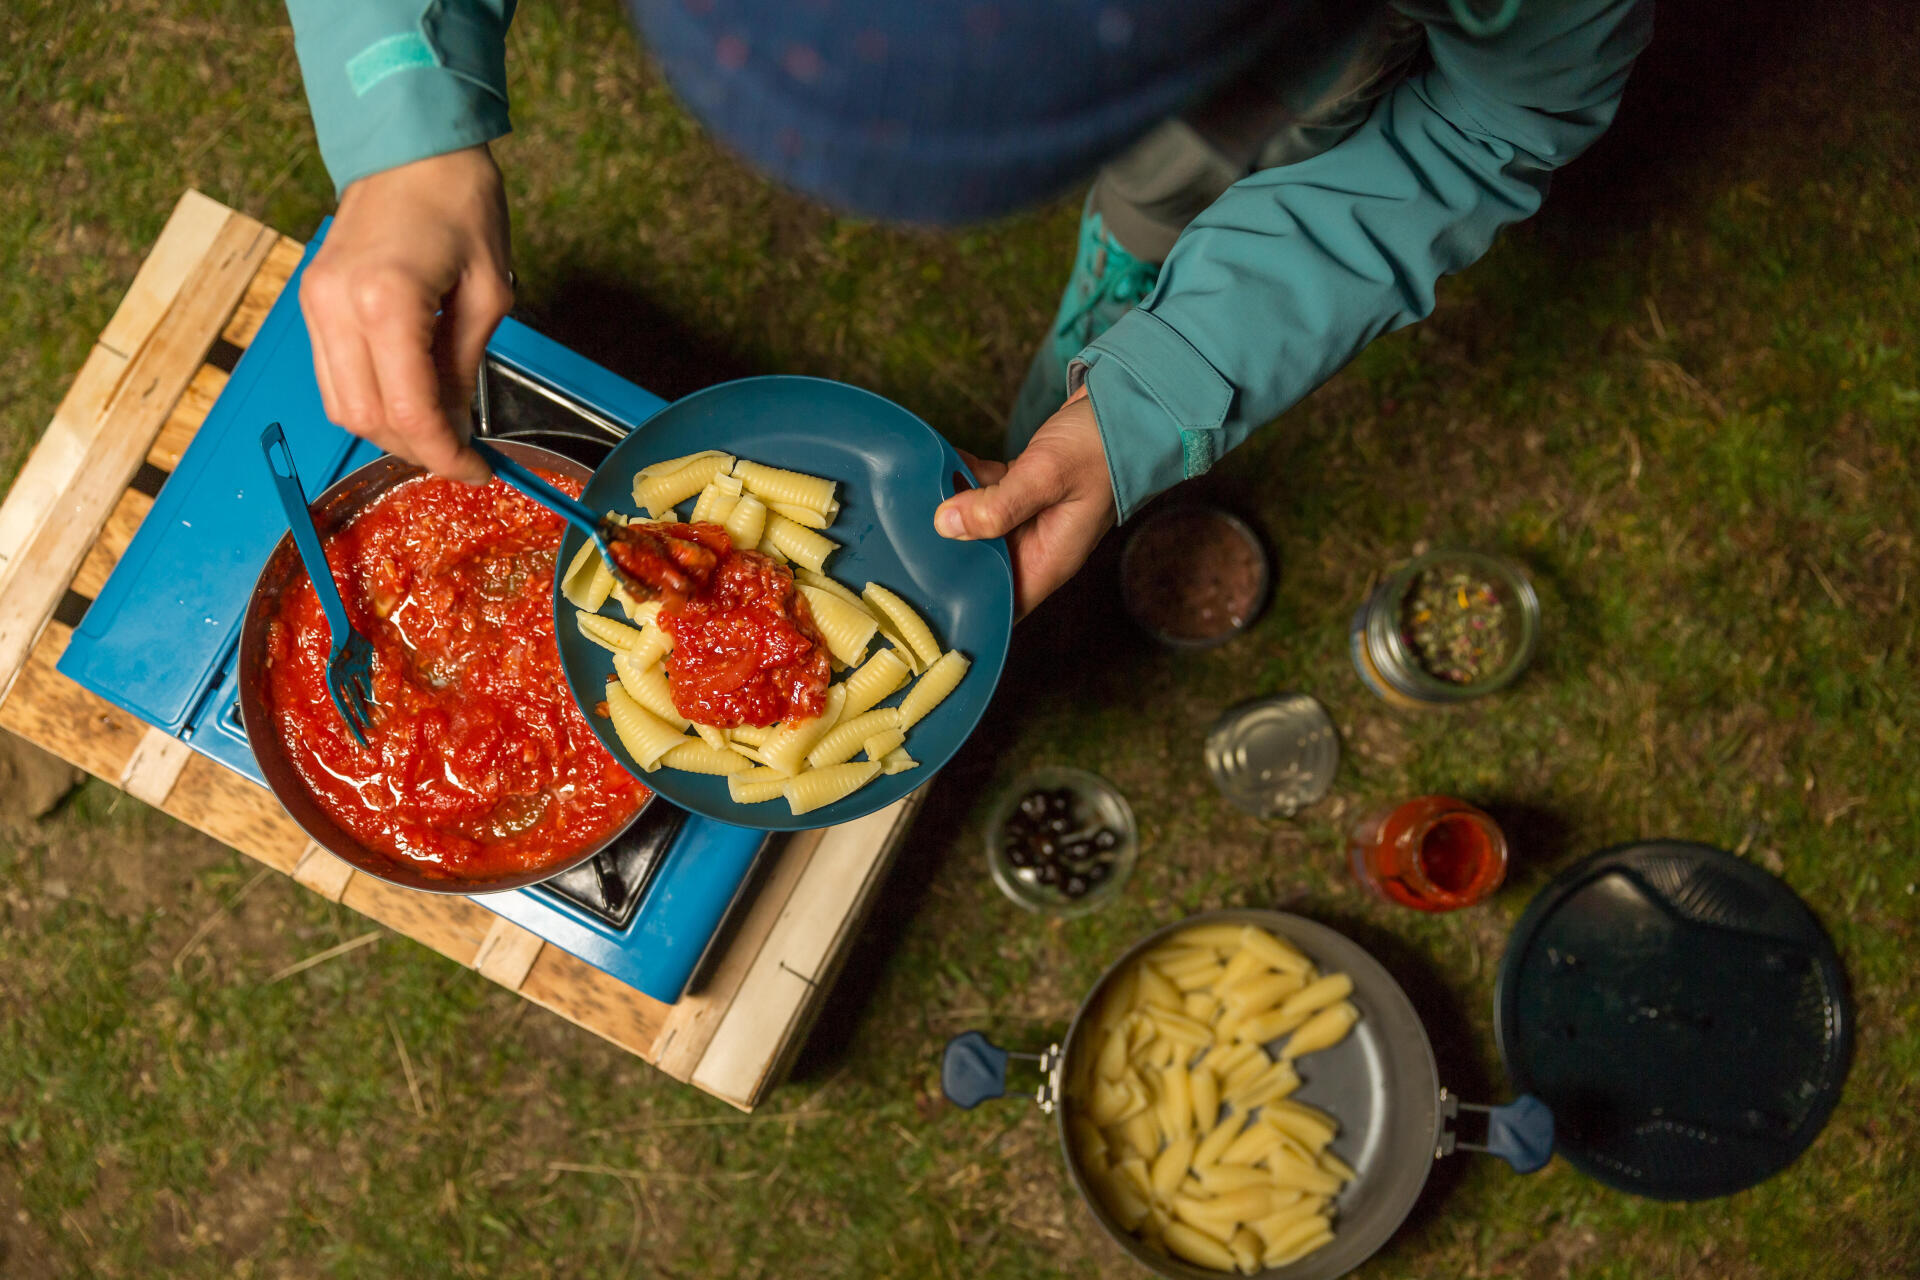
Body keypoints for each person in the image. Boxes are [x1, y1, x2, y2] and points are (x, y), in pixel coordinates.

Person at [286, 0, 1651, 615]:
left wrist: (1165, 385)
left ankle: (1137, 277)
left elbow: (1480, 127)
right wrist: (400, 115)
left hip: (1275, 76)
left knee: (1178, 181)